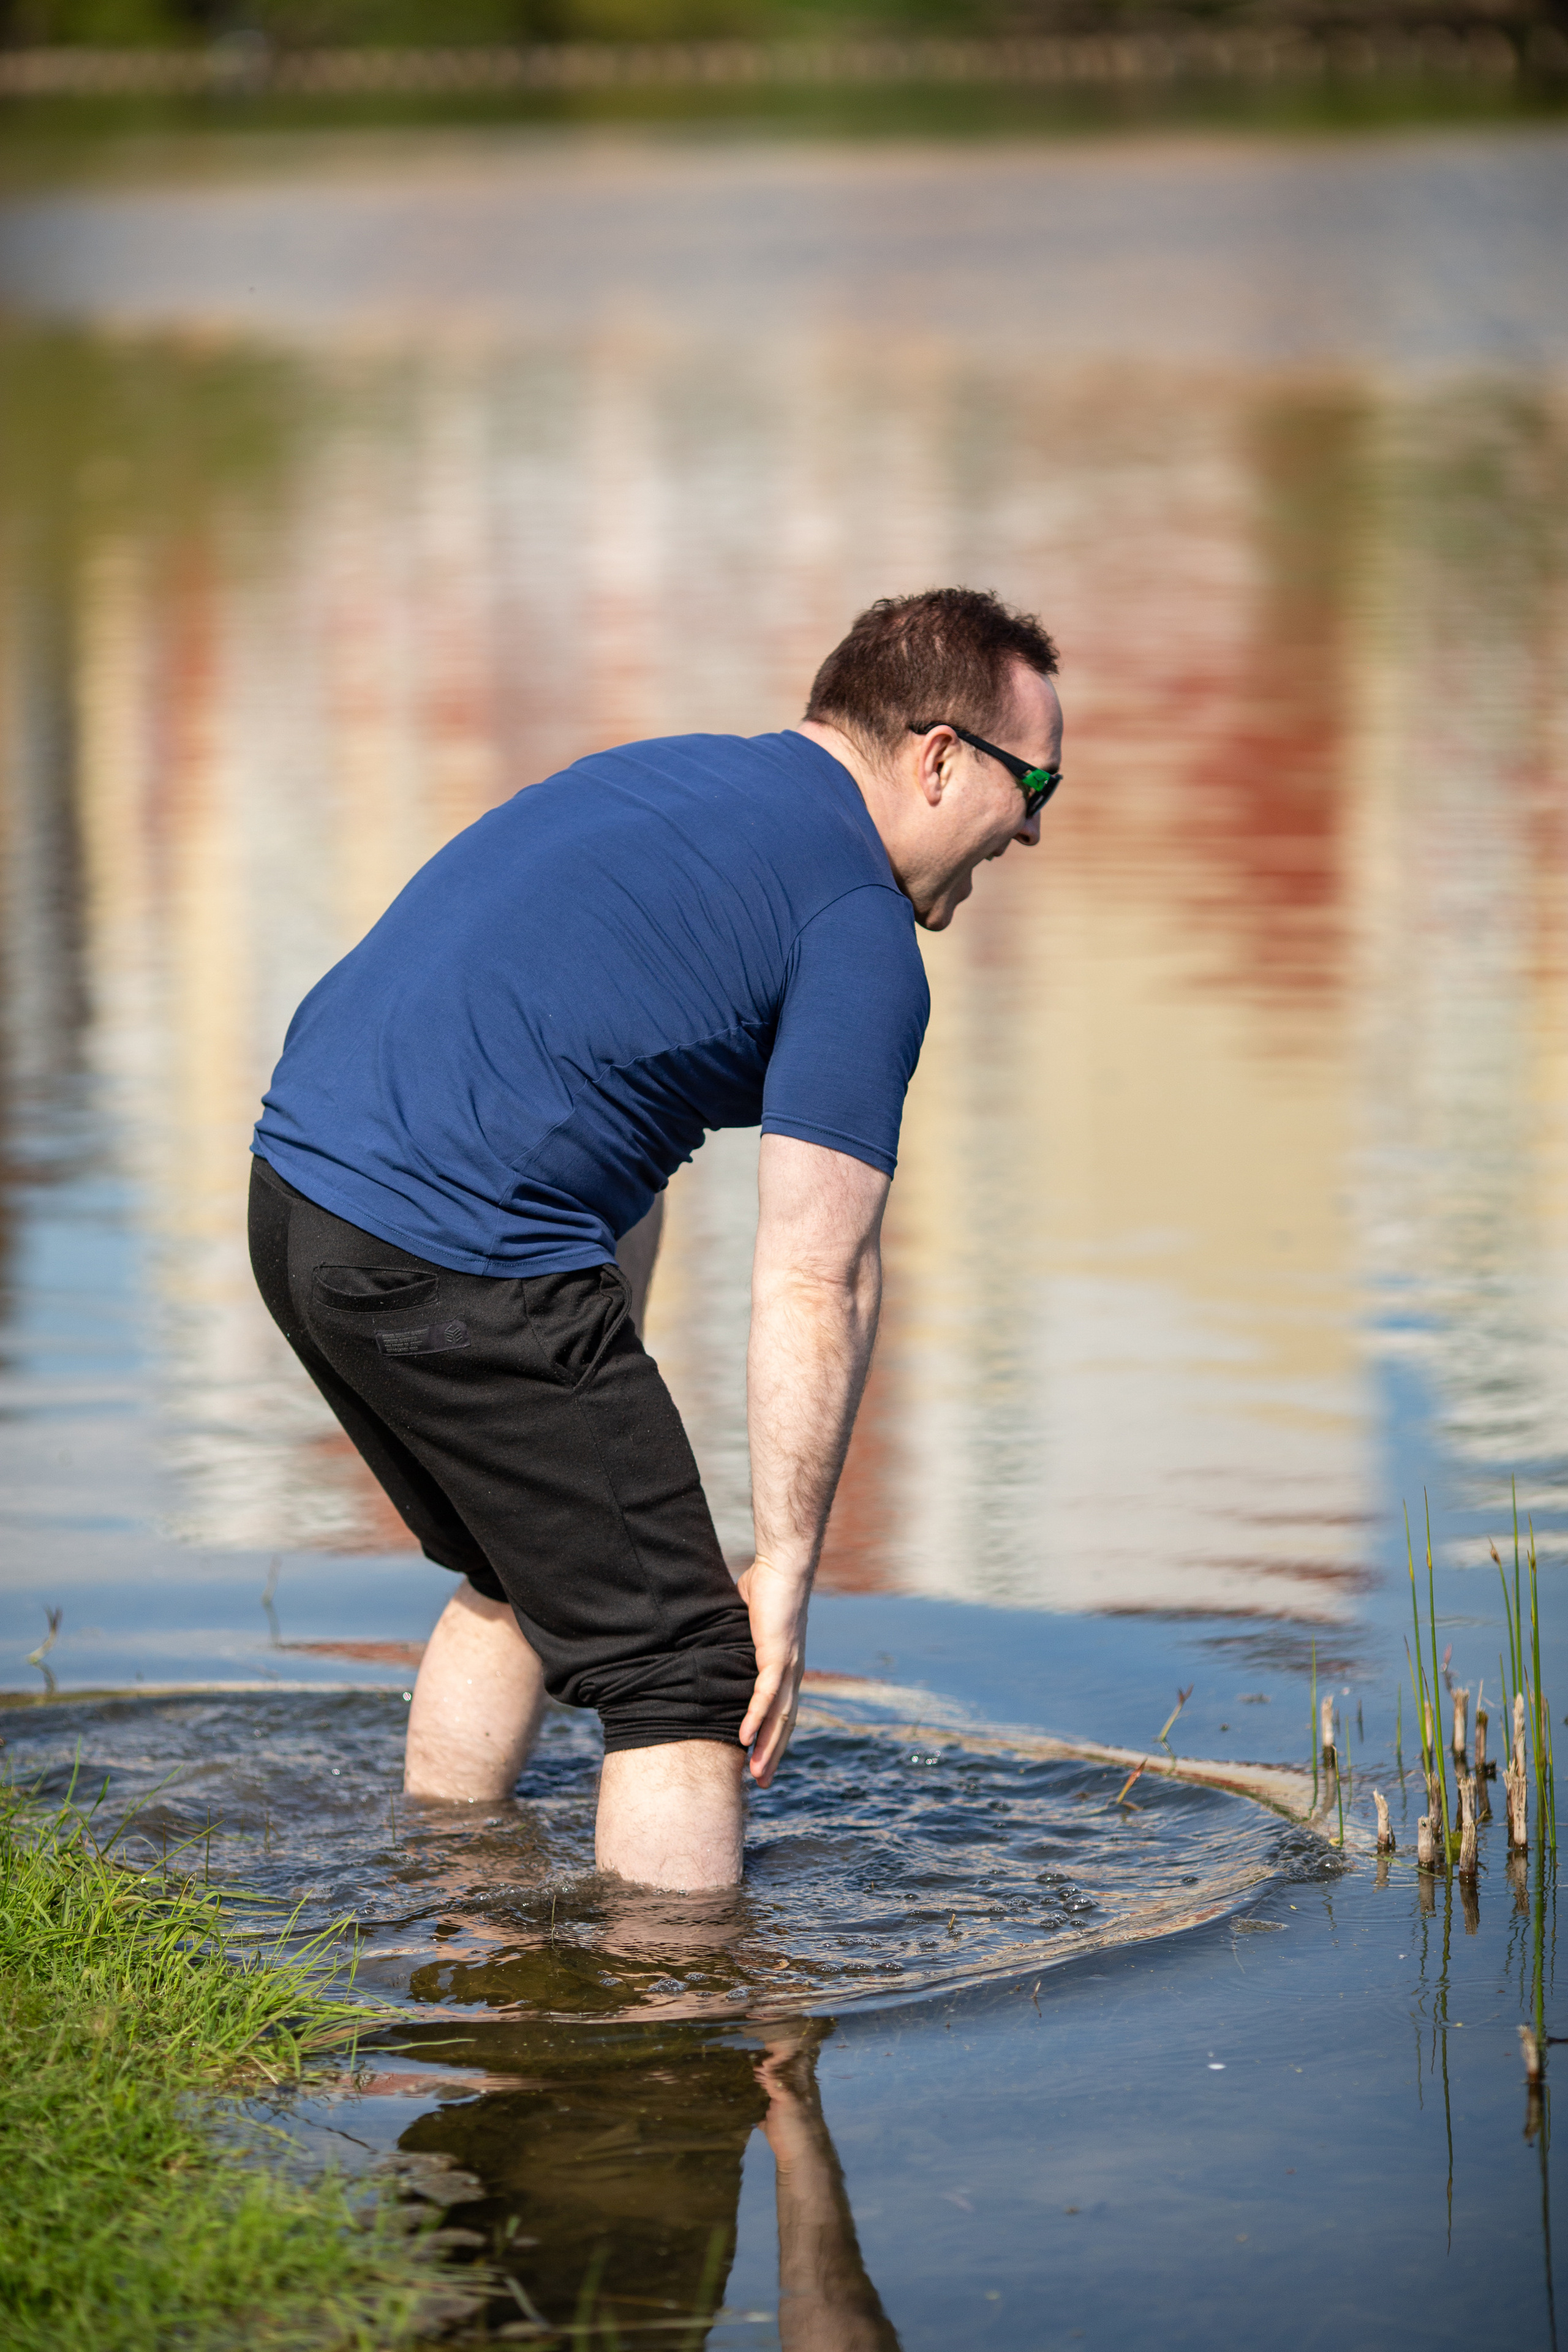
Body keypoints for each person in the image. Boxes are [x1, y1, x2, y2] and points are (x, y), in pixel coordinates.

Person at [248, 587, 1062, 1891]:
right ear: (936, 758)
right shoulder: (856, 928)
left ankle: (457, 1907)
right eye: (1034, 784)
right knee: (685, 1668)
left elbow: (607, 1110)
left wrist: (588, 1376)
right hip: (454, 1247)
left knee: (524, 1570)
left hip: (299, 1200)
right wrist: (784, 1570)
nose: (1030, 828)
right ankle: (667, 2004)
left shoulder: (668, 780)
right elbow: (817, 1276)